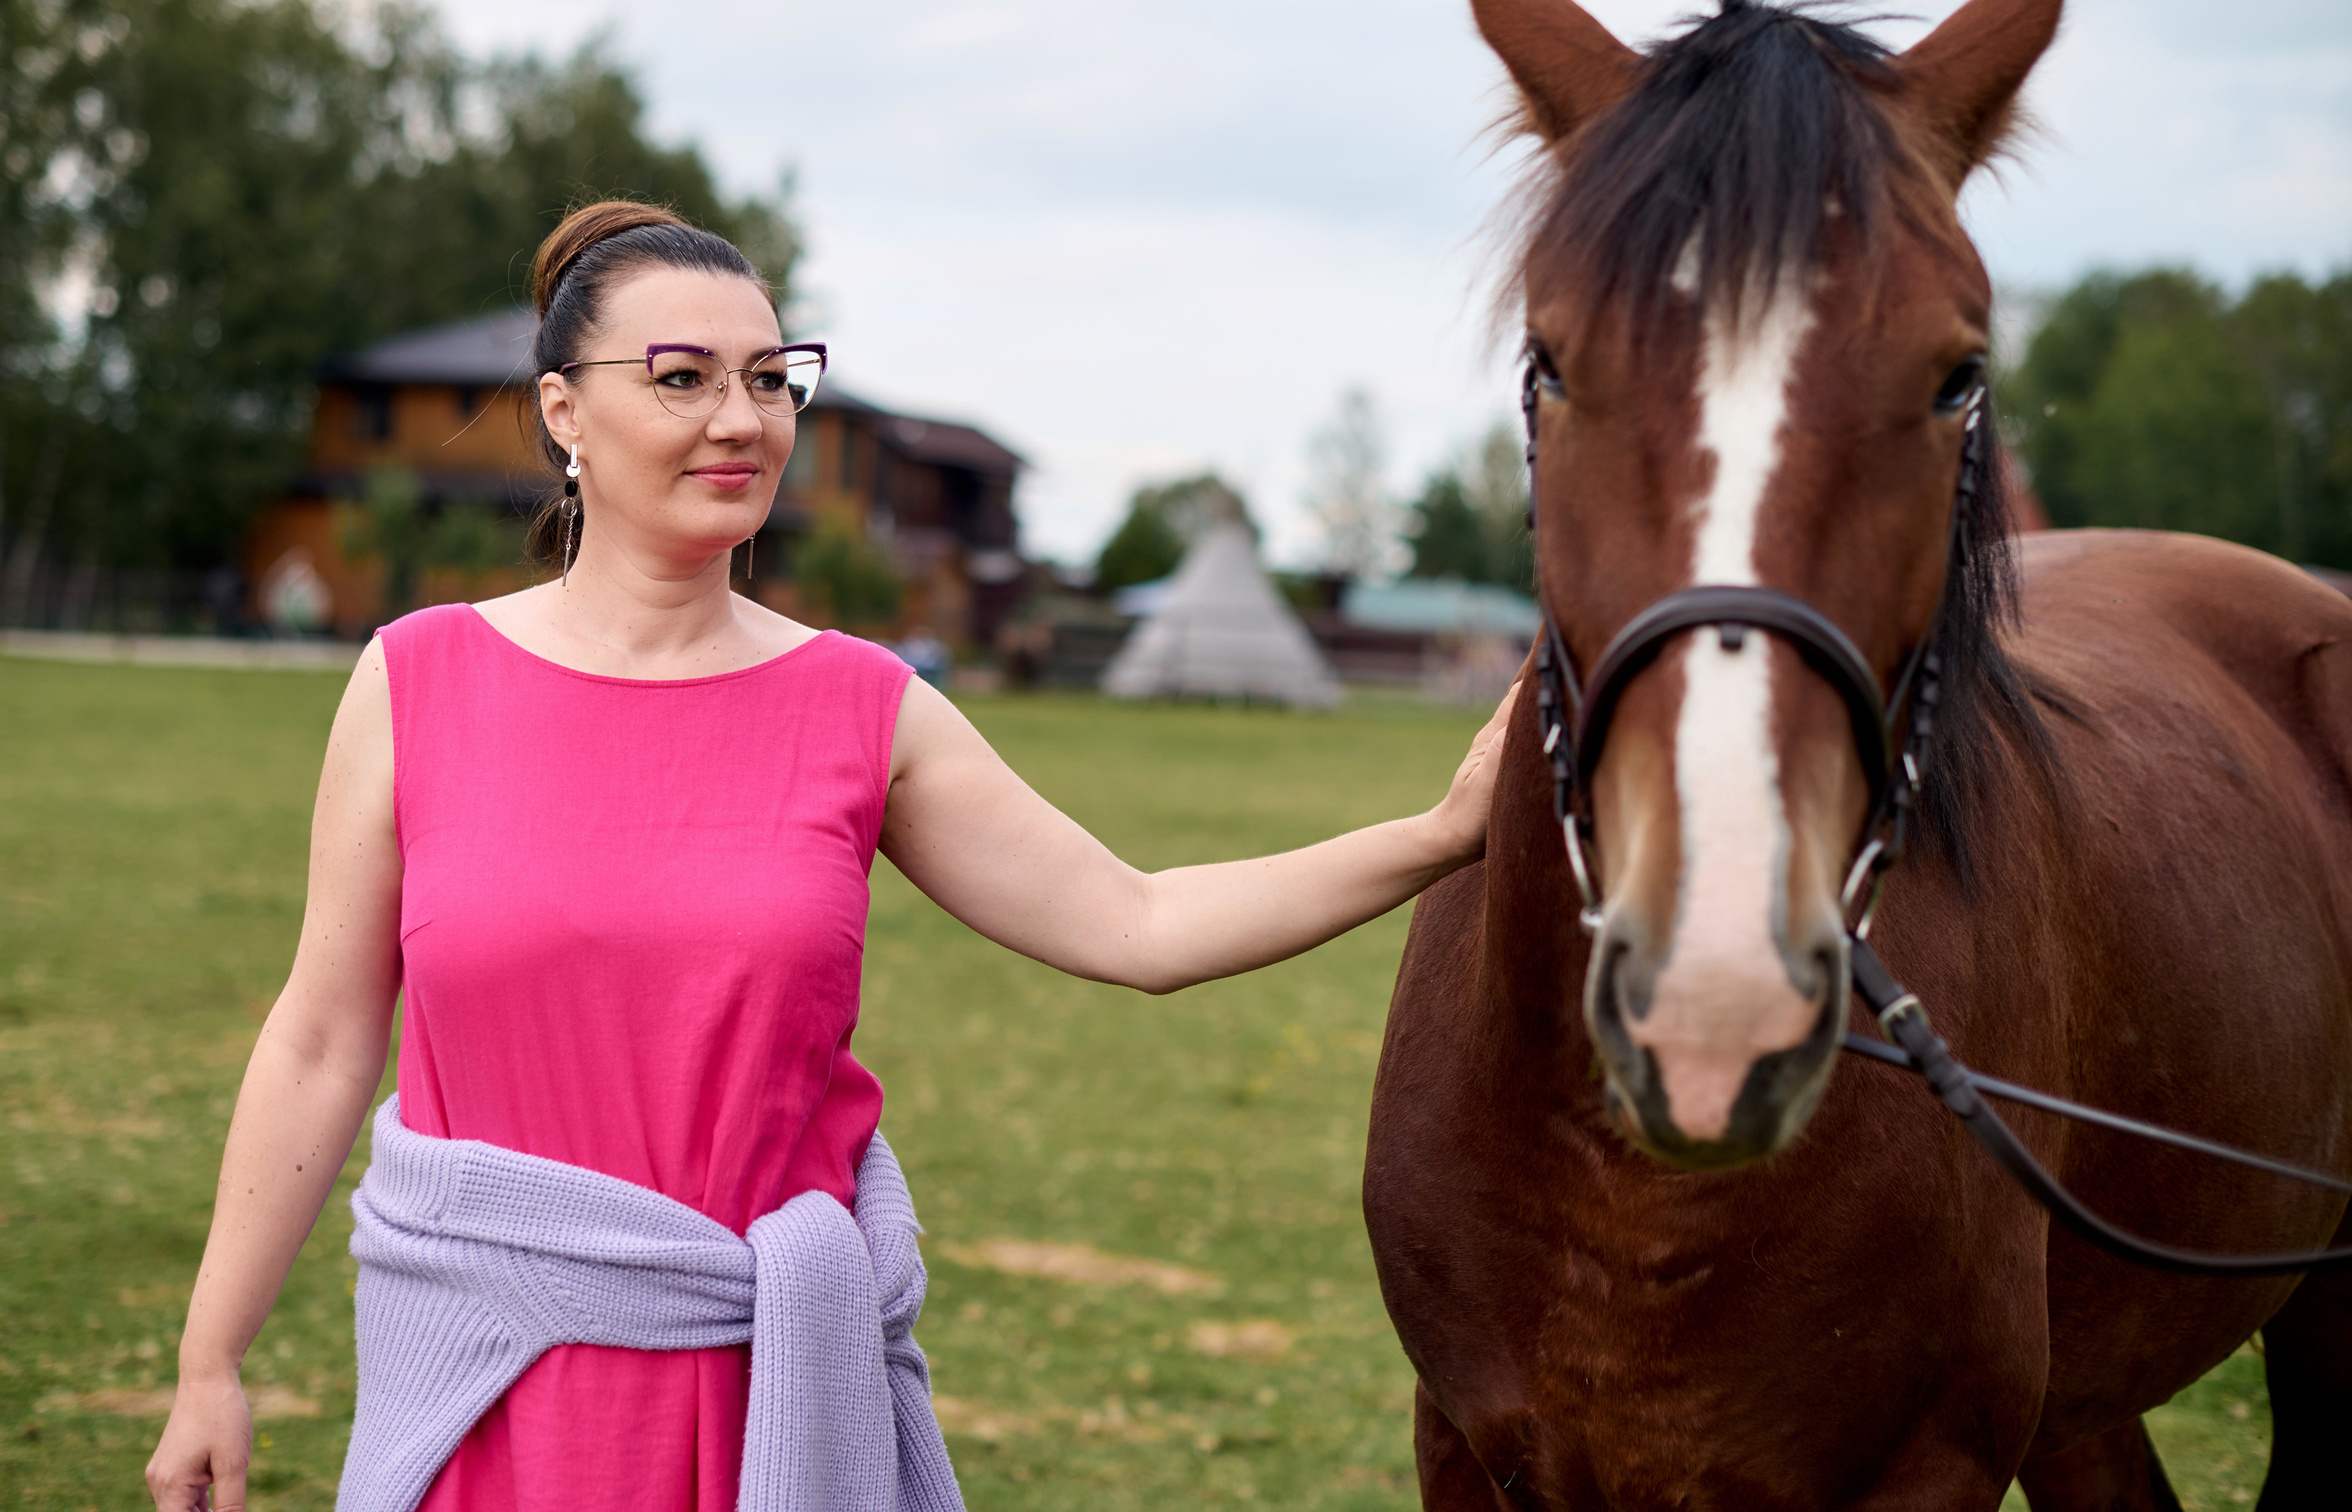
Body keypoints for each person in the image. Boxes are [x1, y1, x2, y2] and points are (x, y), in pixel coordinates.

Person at [145, 201, 1513, 1512]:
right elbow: (322, 1042)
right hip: (486, 1397)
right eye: (680, 378)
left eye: (770, 378)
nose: (741, 420)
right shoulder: (416, 681)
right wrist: (211, 1362)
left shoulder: (865, 707)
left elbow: (1139, 922)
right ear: (564, 408)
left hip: (768, 1410)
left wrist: (1442, 832)